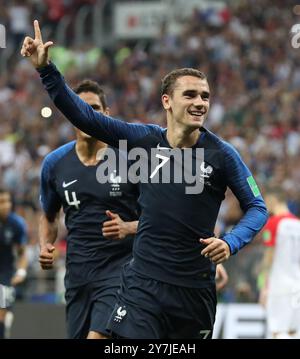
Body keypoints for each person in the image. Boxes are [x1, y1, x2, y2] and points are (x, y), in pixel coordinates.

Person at [21, 21, 268, 339]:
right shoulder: (144, 141)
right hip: (142, 285)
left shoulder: (223, 154)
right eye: (190, 94)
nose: (200, 102)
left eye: (205, 96)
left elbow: (257, 206)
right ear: (167, 101)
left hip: (193, 291)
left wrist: (230, 243)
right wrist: (47, 71)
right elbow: (85, 117)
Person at [39, 79, 139, 339]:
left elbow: (158, 216)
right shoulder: (55, 164)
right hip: (78, 277)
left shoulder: (130, 160)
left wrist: (129, 227)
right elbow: (49, 216)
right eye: (80, 109)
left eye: (93, 108)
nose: (86, 115)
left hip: (121, 272)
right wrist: (45, 245)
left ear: (106, 114)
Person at [259, 189, 300, 339]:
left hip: (279, 286)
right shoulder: (297, 224)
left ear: (272, 199)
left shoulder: (272, 223)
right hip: (297, 285)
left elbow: (268, 257)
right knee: (293, 331)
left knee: (277, 332)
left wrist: (264, 287)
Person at [0, 188, 28, 339]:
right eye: (1, 202)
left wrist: (21, 271)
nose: (6, 205)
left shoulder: (17, 224)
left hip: (5, 273)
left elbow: (22, 253)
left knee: (1, 310)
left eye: (7, 201)